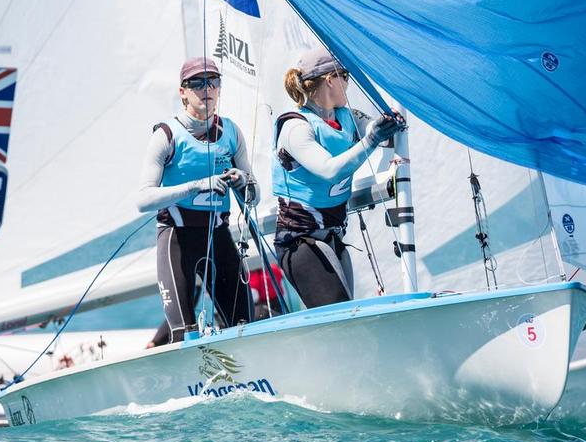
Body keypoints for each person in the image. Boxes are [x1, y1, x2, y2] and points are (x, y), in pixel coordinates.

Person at [137, 56, 259, 344]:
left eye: (213, 81)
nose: (207, 88)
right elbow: (143, 199)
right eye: (197, 83)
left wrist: (243, 183)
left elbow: (253, 197)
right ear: (183, 92)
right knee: (182, 333)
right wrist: (195, 186)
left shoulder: (231, 132)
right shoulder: (167, 135)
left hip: (218, 236)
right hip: (176, 238)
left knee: (244, 327)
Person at [272, 47, 403, 307]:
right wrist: (371, 139)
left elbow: (386, 136)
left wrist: (390, 122)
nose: (348, 84)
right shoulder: (296, 127)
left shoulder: (346, 116)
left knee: (348, 311)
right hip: (299, 244)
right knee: (342, 315)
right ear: (330, 79)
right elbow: (330, 171)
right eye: (346, 77)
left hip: (333, 237)